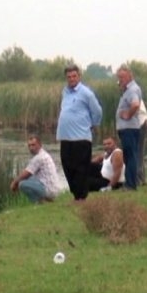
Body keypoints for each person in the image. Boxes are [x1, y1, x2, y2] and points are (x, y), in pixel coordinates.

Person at [56, 64, 103, 201]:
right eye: (69, 77)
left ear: (79, 76)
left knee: (81, 168)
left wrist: (93, 124)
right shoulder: (65, 92)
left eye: (74, 76)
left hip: (81, 137)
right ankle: (76, 194)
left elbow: (97, 111)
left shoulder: (86, 93)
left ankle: (81, 197)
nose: (71, 79)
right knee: (67, 166)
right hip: (65, 137)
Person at [10, 136, 61, 203]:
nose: (31, 148)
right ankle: (47, 201)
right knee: (28, 179)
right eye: (29, 146)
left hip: (50, 190)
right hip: (53, 188)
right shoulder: (44, 154)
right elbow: (28, 174)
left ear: (40, 145)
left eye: (33, 145)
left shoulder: (39, 157)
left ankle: (39, 202)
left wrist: (14, 182)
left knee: (22, 184)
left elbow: (26, 174)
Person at [115, 66, 142, 190]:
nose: (120, 79)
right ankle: (130, 182)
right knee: (129, 155)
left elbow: (135, 104)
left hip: (129, 128)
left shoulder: (132, 89)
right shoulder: (127, 89)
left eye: (123, 77)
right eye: (119, 77)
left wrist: (128, 114)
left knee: (130, 156)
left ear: (130, 76)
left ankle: (131, 184)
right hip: (127, 129)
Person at [137, 100, 147, 185]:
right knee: (140, 153)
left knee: (138, 153)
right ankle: (142, 178)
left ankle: (139, 178)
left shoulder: (133, 92)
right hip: (142, 123)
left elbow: (136, 108)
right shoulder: (135, 93)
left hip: (140, 125)